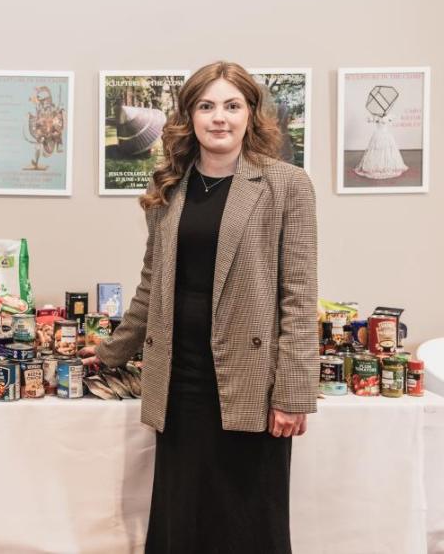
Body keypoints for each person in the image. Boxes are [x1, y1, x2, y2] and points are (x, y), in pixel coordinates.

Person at [81, 61, 318, 553]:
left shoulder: (287, 185)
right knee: (182, 519)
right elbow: (152, 285)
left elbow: (299, 297)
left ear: (251, 114)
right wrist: (110, 353)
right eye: (206, 106)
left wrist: (294, 391)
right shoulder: (170, 186)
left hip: (251, 379)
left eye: (232, 106)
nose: (219, 118)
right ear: (188, 116)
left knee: (248, 519)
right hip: (180, 378)